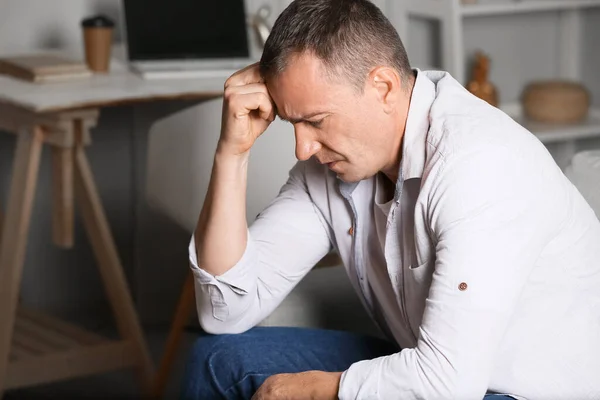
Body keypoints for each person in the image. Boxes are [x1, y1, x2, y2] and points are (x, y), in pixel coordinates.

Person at [181, 0, 600, 399]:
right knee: (215, 359)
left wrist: (314, 389)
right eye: (293, 123)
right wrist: (231, 153)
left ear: (383, 86)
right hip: (433, 371)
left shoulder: (478, 163)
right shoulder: (331, 166)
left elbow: (449, 383)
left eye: (315, 121)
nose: (302, 148)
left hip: (517, 391)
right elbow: (224, 314)